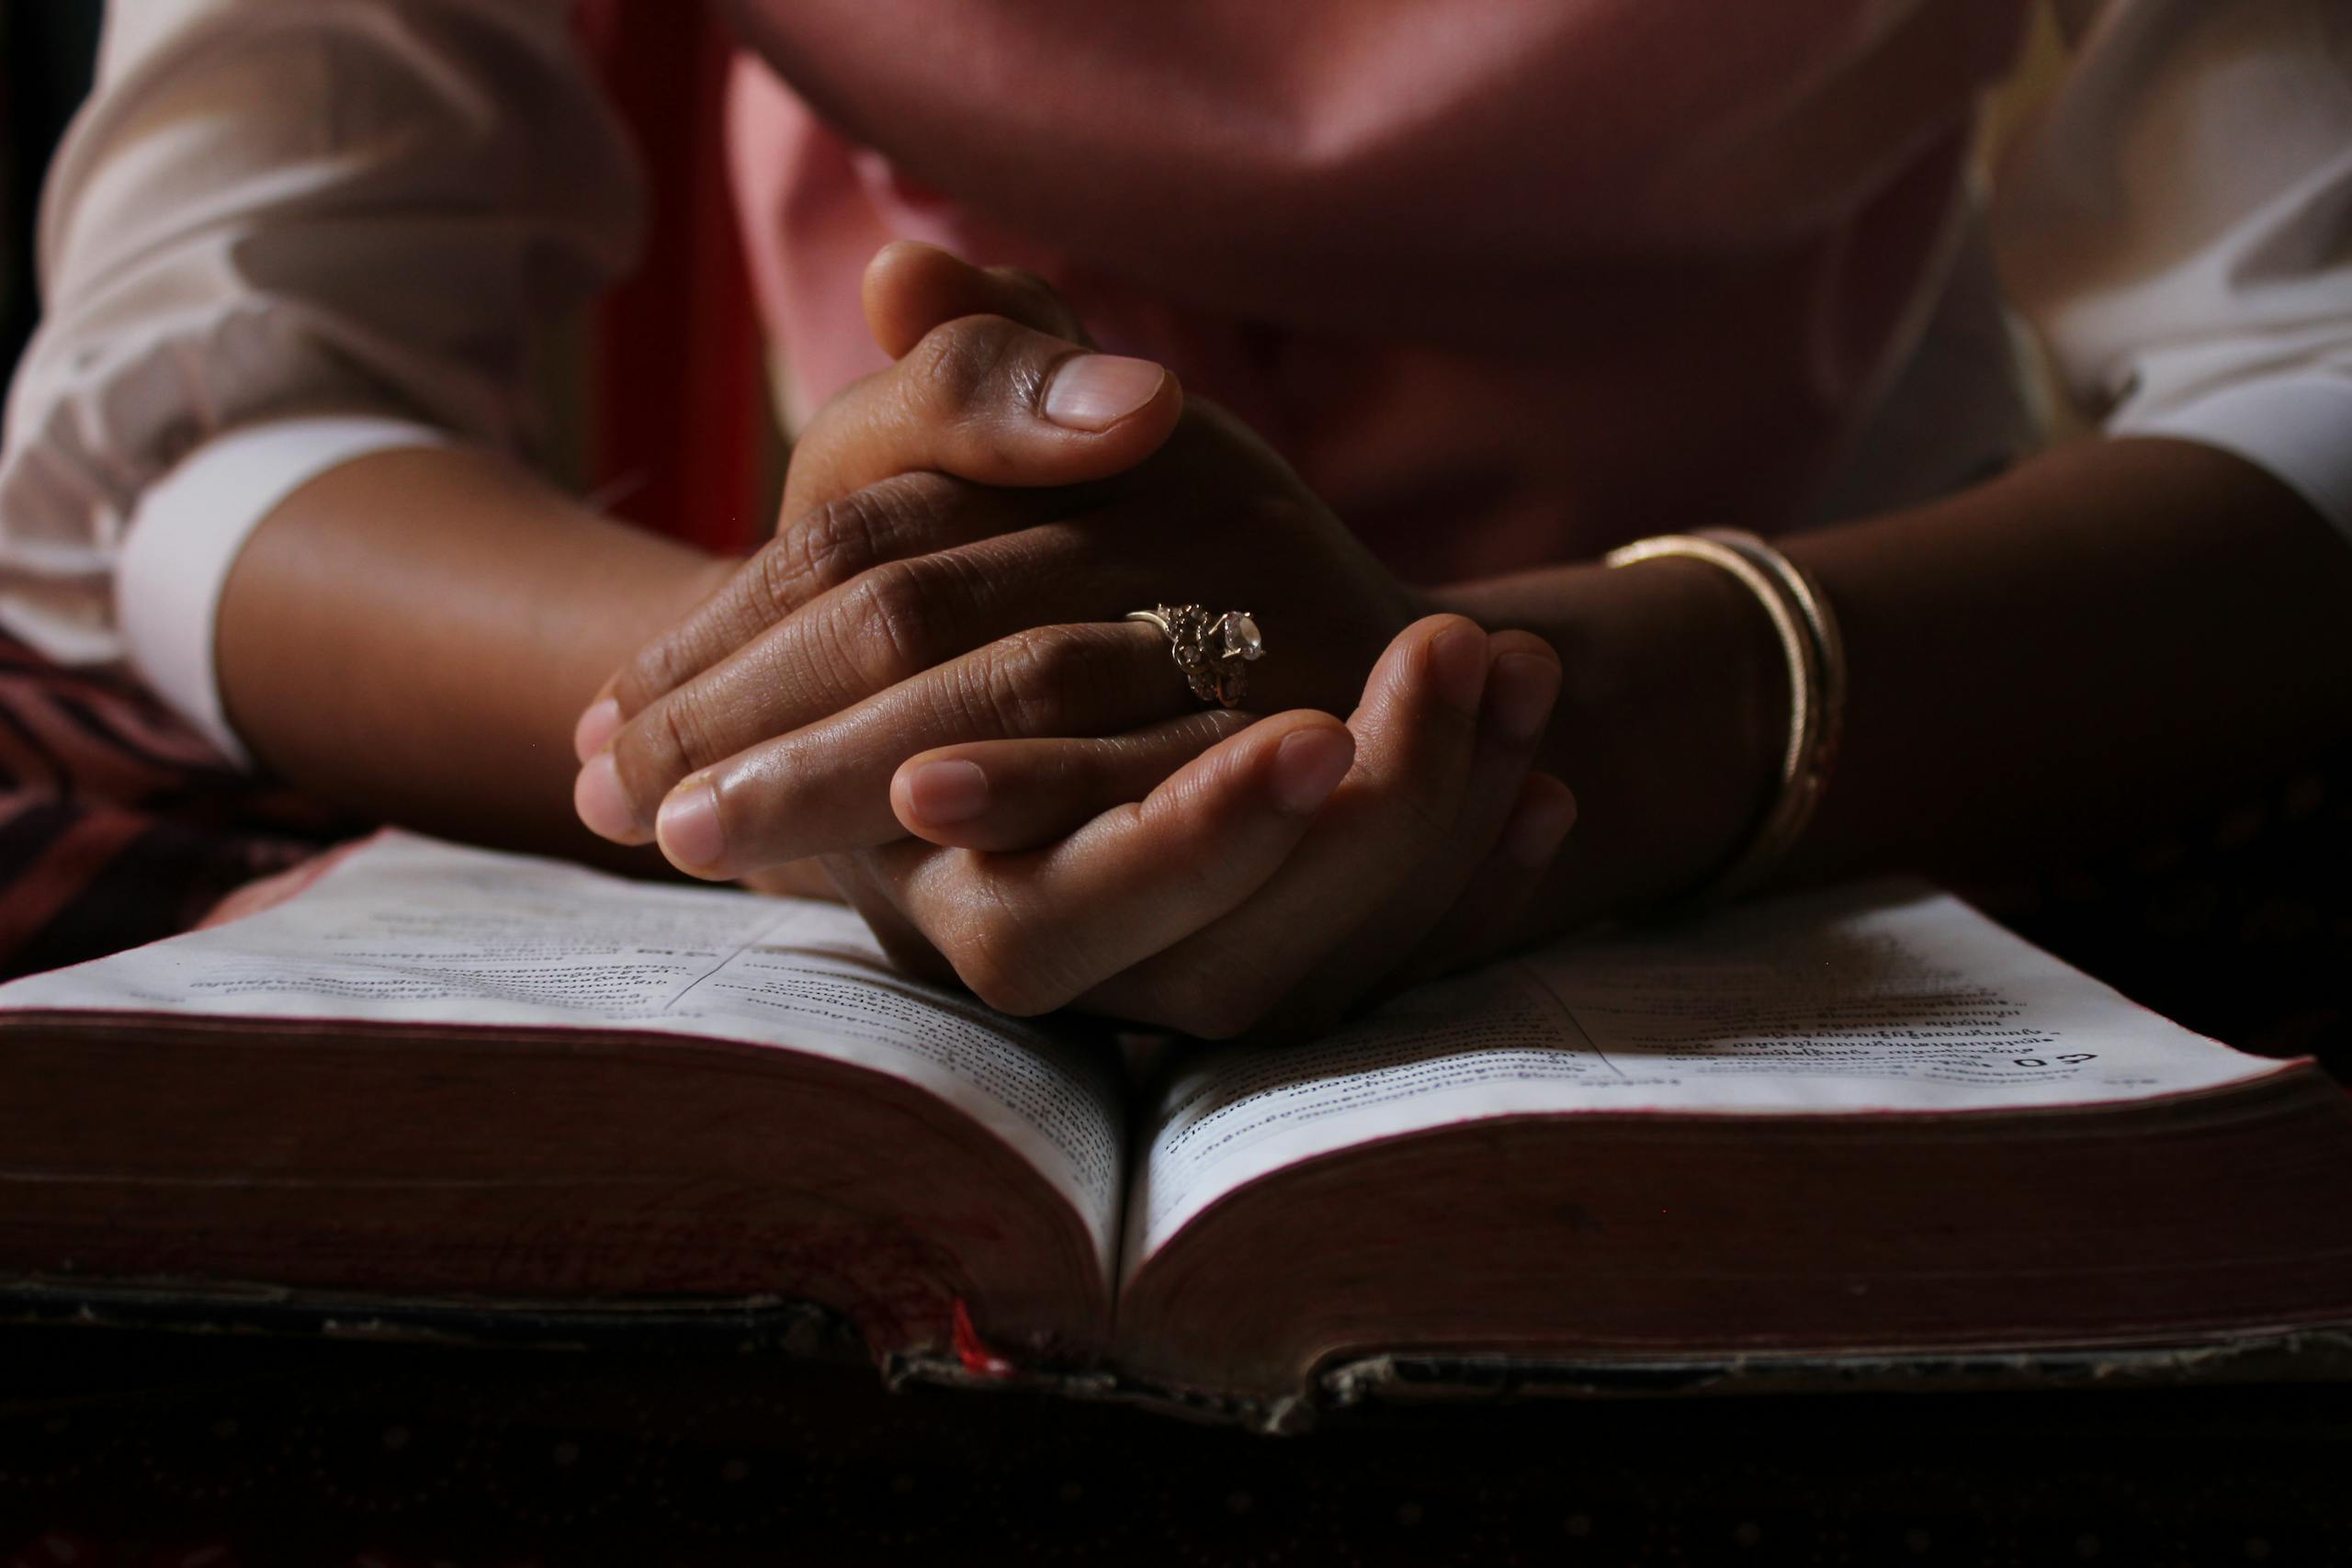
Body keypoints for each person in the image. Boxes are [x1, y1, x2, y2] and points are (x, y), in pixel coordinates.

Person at [1, 0, 2346, 1035]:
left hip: (1837, 701)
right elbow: (203, 414)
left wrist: (1556, 728)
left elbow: (2312, 371)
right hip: (851, 717)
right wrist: (813, 708)